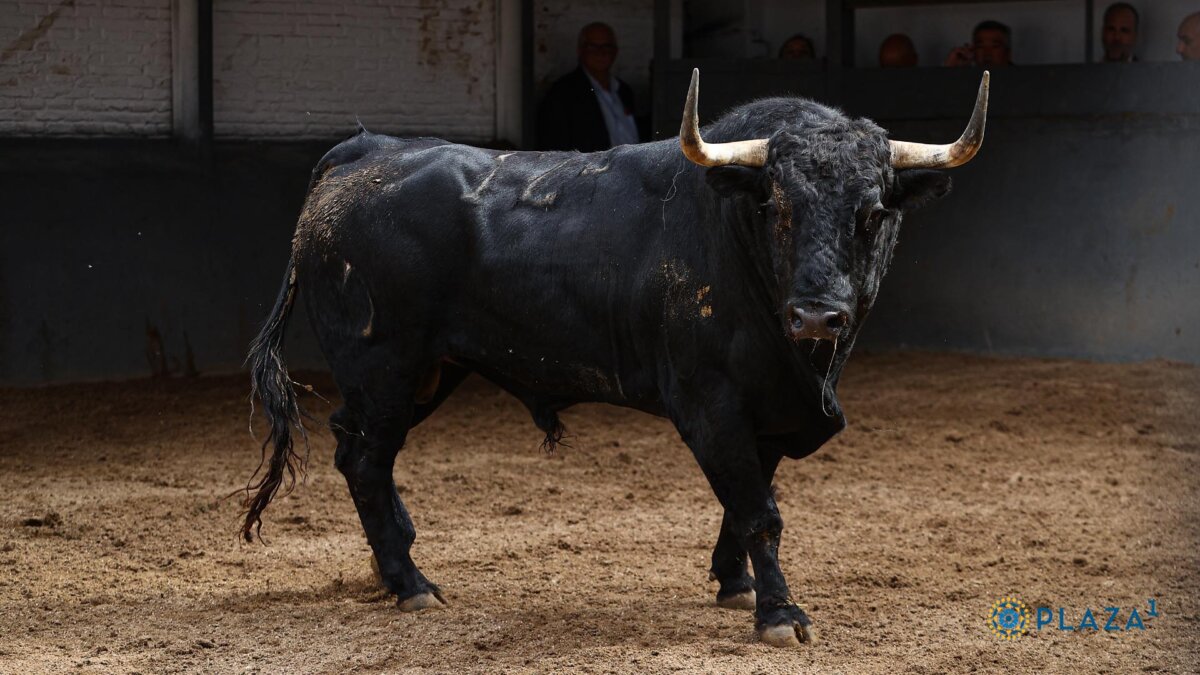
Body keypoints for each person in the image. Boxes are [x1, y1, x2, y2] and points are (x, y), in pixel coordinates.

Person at [537, 22, 640, 152]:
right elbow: (554, 146)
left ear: (615, 51)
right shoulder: (564, 93)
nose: (600, 53)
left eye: (607, 46)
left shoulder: (624, 91)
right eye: (592, 47)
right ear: (580, 50)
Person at [944, 20, 1012, 67]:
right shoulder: (967, 77)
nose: (987, 53)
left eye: (995, 46)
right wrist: (949, 70)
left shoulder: (1017, 78)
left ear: (1007, 52)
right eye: (980, 46)